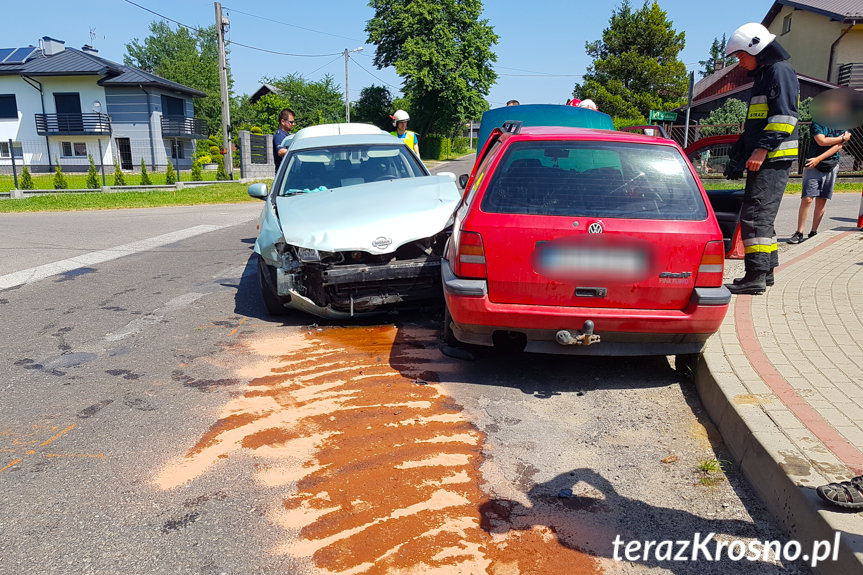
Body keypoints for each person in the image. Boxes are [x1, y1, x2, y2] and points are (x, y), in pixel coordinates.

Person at [724, 22, 799, 295]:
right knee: (763, 218)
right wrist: (739, 155)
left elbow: (785, 118)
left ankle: (754, 276)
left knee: (754, 217)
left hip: (773, 158)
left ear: (756, 48)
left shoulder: (779, 71)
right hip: (766, 157)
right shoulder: (765, 75)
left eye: (741, 56)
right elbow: (756, 122)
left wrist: (761, 151)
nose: (740, 62)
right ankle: (765, 273)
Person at [788, 123, 849, 244]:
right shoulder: (817, 123)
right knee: (807, 198)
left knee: (822, 199)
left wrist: (819, 158)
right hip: (812, 164)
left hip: (831, 165)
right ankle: (799, 232)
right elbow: (821, 141)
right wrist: (842, 138)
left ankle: (813, 232)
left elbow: (838, 146)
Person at [272, 108, 296, 173]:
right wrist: (297, 151)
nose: (293, 124)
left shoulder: (288, 136)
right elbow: (280, 151)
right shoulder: (279, 135)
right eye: (291, 122)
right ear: (283, 122)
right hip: (283, 174)